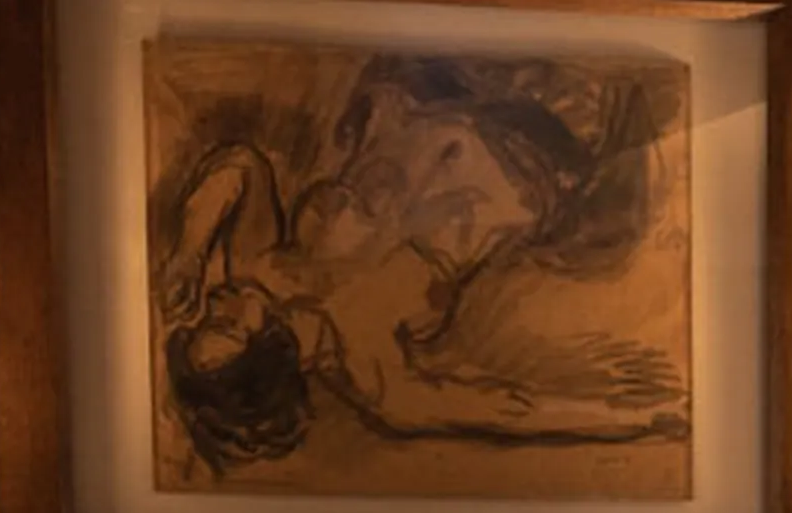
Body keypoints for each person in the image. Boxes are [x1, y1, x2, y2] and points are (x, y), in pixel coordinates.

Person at [148, 49, 693, 486]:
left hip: (434, 95)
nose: (212, 303)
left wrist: (186, 255)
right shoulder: (372, 370)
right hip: (528, 150)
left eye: (202, 322)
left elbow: (239, 165)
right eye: (222, 326)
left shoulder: (262, 266)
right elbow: (511, 410)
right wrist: (637, 420)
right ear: (270, 347)